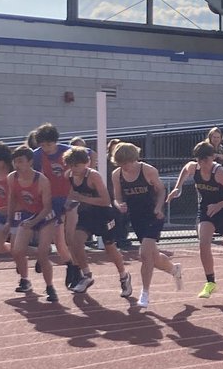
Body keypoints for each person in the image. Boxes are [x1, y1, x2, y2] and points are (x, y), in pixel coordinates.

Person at [167, 141, 223, 299]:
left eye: (205, 161)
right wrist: (178, 187)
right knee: (203, 243)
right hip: (206, 209)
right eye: (199, 160)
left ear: (212, 158)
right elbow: (185, 170)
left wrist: (219, 205)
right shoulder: (194, 167)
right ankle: (210, 282)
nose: (202, 164)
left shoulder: (219, 173)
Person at [111, 142, 182, 309]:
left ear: (133, 159)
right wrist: (119, 204)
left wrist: (159, 207)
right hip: (136, 218)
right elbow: (117, 197)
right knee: (154, 257)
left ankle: (145, 293)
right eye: (120, 163)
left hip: (154, 216)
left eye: (126, 163)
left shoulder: (148, 170)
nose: (124, 167)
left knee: (144, 254)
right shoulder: (117, 175)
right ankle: (174, 270)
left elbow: (161, 190)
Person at [62, 147, 131, 298]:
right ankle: (86, 275)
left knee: (110, 248)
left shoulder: (93, 176)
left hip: (104, 215)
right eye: (71, 165)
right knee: (75, 242)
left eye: (77, 165)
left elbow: (106, 200)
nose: (74, 169)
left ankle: (124, 276)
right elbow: (70, 196)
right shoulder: (69, 176)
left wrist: (81, 198)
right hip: (86, 215)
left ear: (86, 163)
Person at [7, 144, 57, 302]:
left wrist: (34, 221)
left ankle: (50, 287)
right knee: (17, 251)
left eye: (21, 161)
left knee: (42, 254)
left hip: (46, 216)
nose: (18, 165)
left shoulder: (42, 180)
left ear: (30, 162)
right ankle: (25, 280)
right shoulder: (12, 178)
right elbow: (12, 199)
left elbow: (47, 207)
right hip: (28, 214)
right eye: (15, 161)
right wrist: (10, 221)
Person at [32, 122, 76, 289]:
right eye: (42, 145)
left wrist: (77, 182)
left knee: (64, 237)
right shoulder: (36, 155)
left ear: (55, 142)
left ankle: (74, 267)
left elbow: (90, 154)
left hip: (69, 198)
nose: (46, 148)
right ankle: (50, 257)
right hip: (50, 199)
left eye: (49, 144)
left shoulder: (68, 151)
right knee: (49, 234)